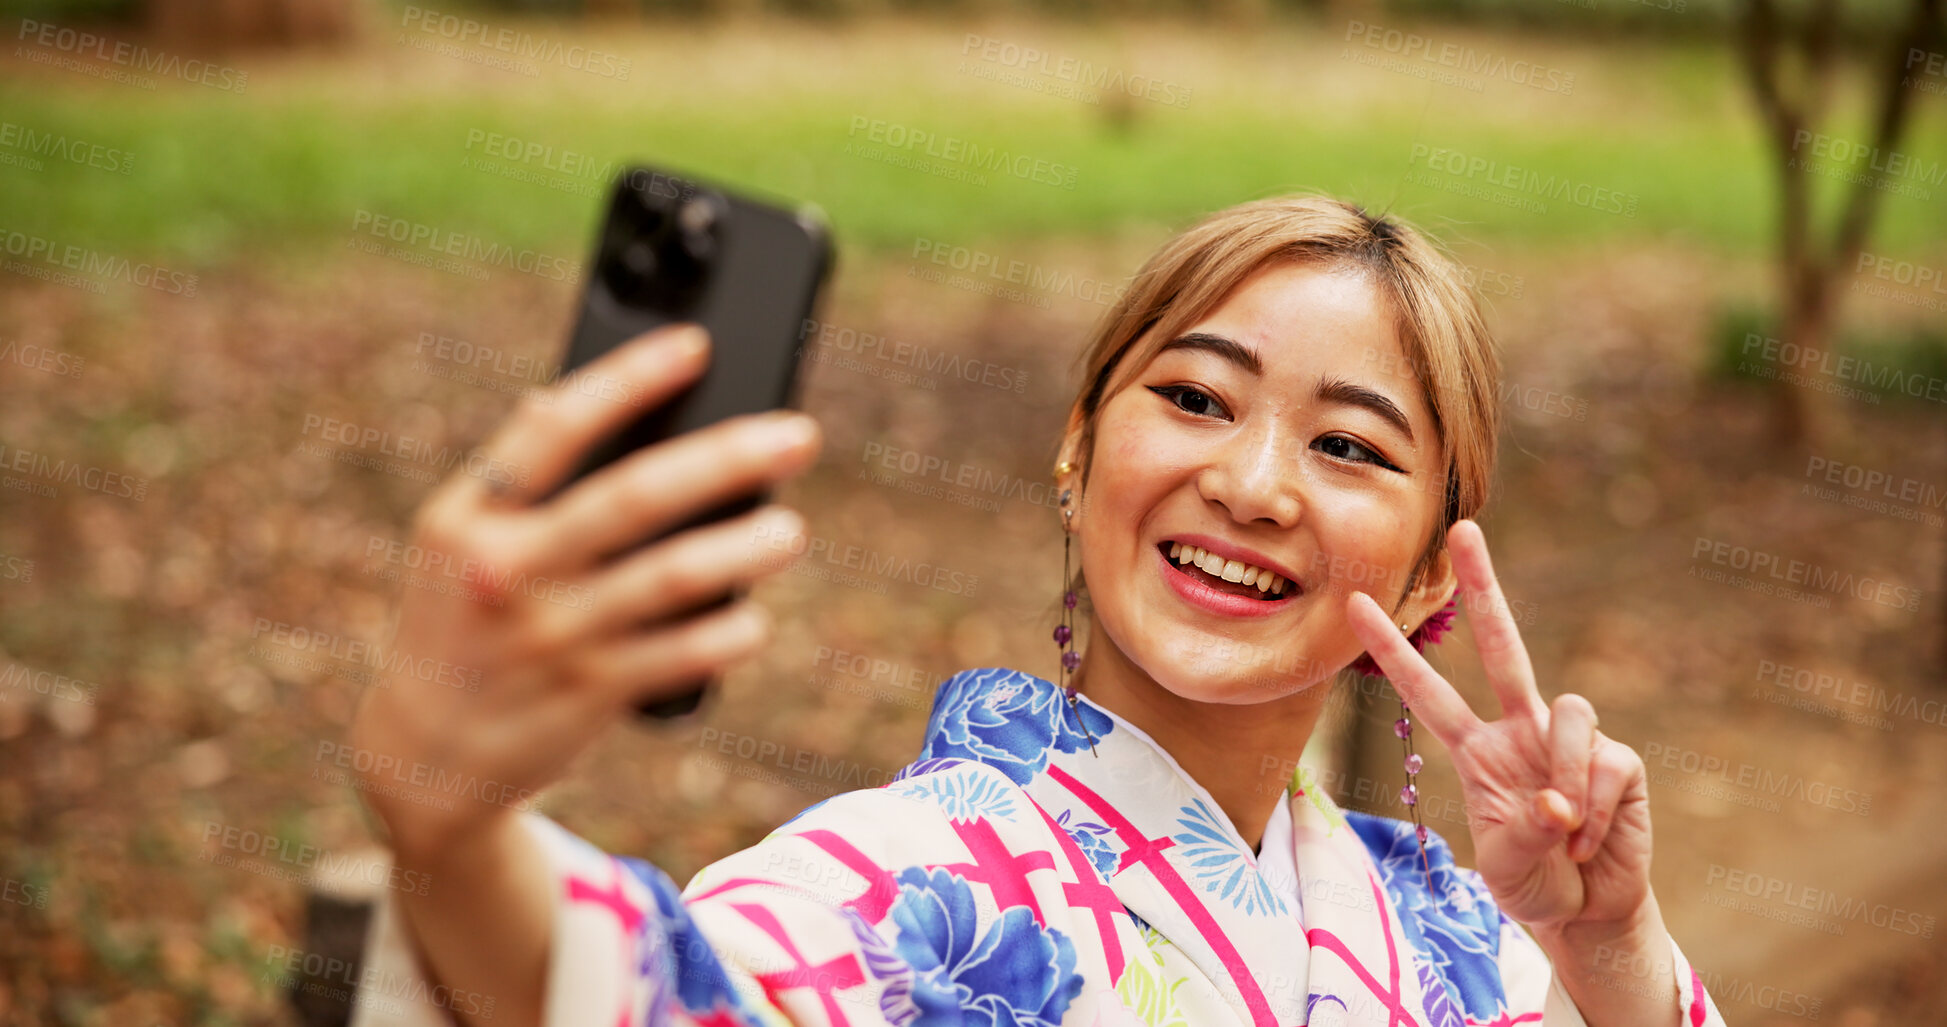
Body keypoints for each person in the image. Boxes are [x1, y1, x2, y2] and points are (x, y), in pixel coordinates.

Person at [341, 195, 1727, 1027]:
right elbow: (653, 990)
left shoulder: (1466, 942)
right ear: (1079, 453)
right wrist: (451, 831)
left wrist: (1612, 951)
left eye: (1348, 447)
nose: (1249, 485)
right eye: (1192, 398)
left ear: (1430, 573)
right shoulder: (902, 891)